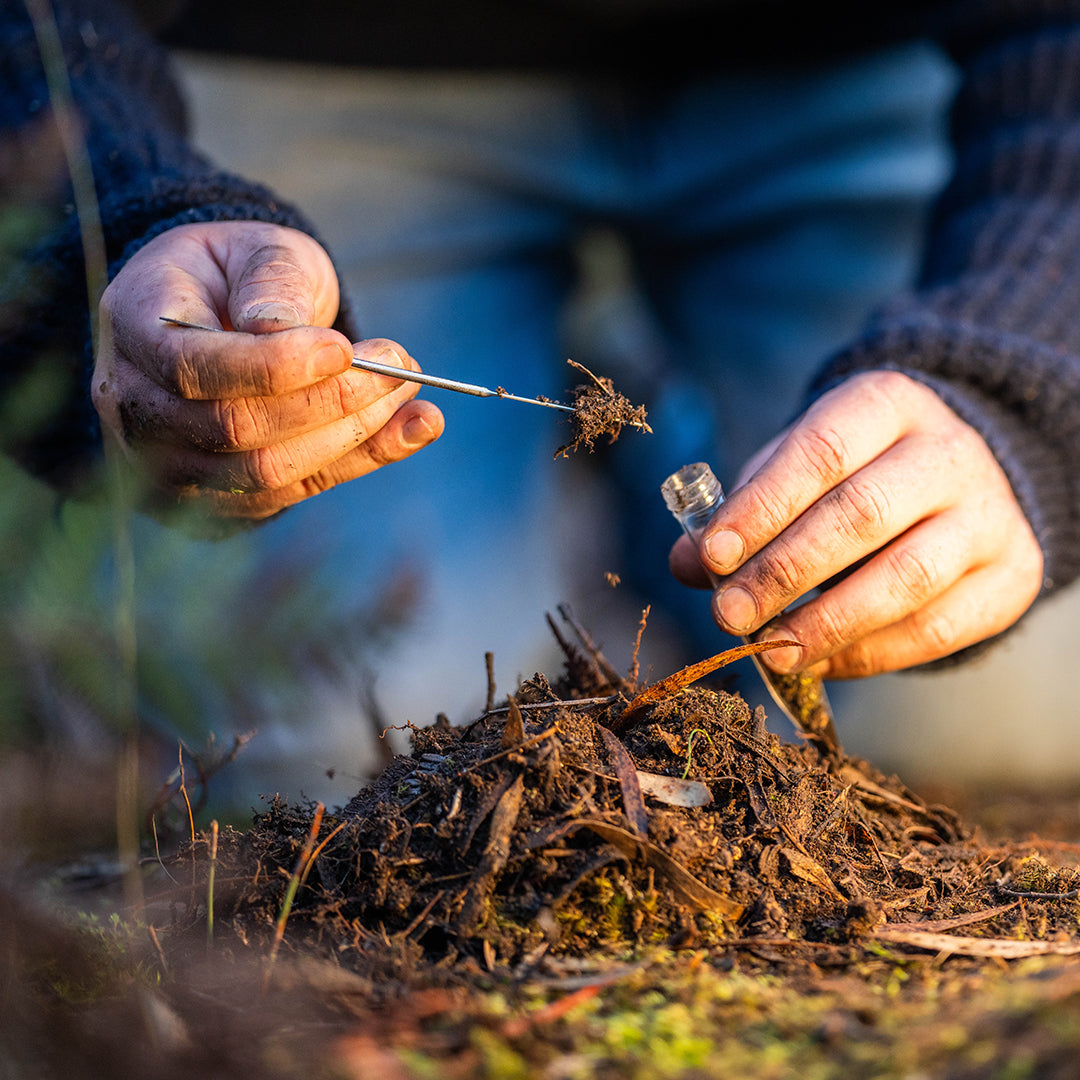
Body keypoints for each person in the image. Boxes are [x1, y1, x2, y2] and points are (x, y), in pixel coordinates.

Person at [1, 0, 1076, 795]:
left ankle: (653, 416)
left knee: (990, 728)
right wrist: (118, 213)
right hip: (309, 57)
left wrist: (1022, 359)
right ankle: (616, 392)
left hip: (885, 58)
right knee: (320, 755)